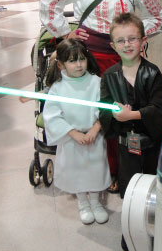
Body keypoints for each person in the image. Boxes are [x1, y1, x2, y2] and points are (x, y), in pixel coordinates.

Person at [40, 0, 162, 193]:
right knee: (89, 114)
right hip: (87, 59)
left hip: (123, 62)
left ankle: (120, 170)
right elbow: (50, 0)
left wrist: (135, 38)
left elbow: (160, 17)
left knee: (117, 116)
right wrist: (65, 32)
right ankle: (90, 173)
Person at [99, 13, 162, 241]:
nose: (127, 44)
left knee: (152, 189)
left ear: (143, 40)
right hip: (126, 147)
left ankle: (155, 231)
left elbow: (159, 109)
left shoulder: (153, 73)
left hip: (151, 146)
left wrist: (133, 114)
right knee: (130, 190)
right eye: (121, 40)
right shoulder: (109, 77)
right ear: (113, 45)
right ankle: (131, 231)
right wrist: (113, 114)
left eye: (132, 39)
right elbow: (104, 108)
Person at [43, 39, 111, 225]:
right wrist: (73, 133)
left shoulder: (96, 82)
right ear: (61, 64)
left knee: (95, 169)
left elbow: (106, 108)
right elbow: (52, 116)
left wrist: (96, 128)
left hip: (94, 136)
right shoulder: (57, 88)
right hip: (71, 139)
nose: (79, 64)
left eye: (82, 59)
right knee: (77, 171)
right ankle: (83, 203)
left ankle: (96, 202)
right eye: (72, 61)